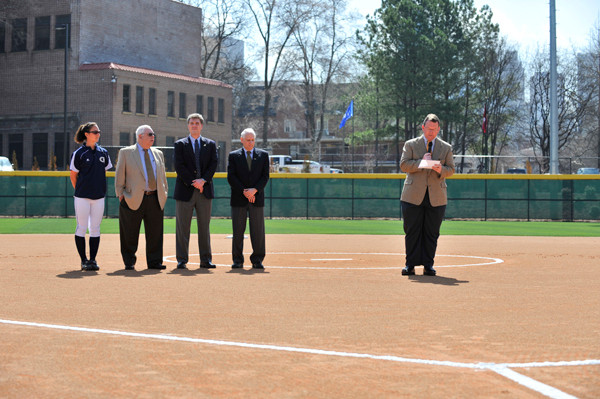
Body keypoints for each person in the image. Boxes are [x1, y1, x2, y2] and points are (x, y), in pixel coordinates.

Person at [400, 114, 455, 276]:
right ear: (423, 127)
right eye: (429, 129)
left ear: (438, 129)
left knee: (431, 232)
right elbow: (403, 165)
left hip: (436, 196)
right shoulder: (410, 145)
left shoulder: (446, 147)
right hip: (412, 195)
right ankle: (410, 265)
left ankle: (428, 265)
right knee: (412, 231)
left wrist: (441, 170)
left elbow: (451, 169)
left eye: (435, 129)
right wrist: (422, 162)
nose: (431, 132)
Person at [115, 125, 168, 271]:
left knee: (155, 233)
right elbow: (119, 175)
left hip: (155, 198)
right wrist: (121, 195)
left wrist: (164, 193)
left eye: (153, 134)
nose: (153, 137)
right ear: (140, 136)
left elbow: (162, 176)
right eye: (150, 134)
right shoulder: (126, 152)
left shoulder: (158, 153)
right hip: (132, 198)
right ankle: (129, 261)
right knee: (129, 233)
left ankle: (155, 261)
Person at [173, 113, 218, 270]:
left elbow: (214, 164)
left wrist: (203, 181)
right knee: (182, 227)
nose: (194, 125)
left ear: (202, 125)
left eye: (197, 123)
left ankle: (206, 260)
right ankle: (182, 260)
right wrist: (194, 183)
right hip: (185, 191)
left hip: (204, 191)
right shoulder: (180, 144)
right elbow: (179, 166)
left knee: (204, 227)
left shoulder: (210, 144)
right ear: (188, 126)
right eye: (191, 123)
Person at [69, 122, 112, 271]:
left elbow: (104, 172)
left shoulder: (103, 153)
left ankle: (93, 260)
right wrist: (81, 191)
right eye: (95, 132)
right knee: (81, 227)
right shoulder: (79, 153)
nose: (98, 134)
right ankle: (83, 260)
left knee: (95, 228)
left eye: (99, 131)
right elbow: (73, 175)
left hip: (99, 197)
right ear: (86, 134)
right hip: (82, 197)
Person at [227, 128, 270, 270]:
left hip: (256, 199)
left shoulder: (263, 155)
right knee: (238, 231)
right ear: (241, 140)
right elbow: (231, 177)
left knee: (257, 231)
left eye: (252, 140)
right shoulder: (233, 156)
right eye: (248, 140)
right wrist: (245, 191)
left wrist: (254, 190)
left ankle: (257, 260)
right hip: (239, 199)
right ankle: (237, 260)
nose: (250, 143)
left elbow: (265, 177)